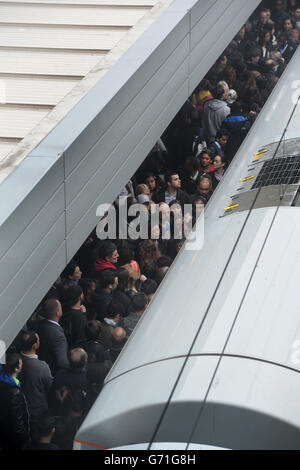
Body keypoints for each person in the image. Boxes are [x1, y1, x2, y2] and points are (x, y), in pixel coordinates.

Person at [19, 331, 53, 443]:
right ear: (35, 345)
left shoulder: (14, 361)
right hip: (37, 411)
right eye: (38, 340)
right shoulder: (42, 367)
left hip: (20, 410)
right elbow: (50, 387)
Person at [0, 353, 30, 450]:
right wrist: (25, 438)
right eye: (21, 363)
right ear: (16, 369)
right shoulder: (14, 392)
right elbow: (17, 422)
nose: (22, 364)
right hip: (13, 438)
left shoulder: (2, 380)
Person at [37, 299, 69, 375]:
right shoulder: (58, 336)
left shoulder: (40, 325)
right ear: (57, 313)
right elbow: (63, 363)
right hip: (52, 373)